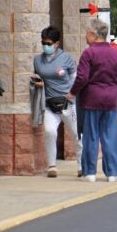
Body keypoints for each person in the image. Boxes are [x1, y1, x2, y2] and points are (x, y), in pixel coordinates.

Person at [67, 18, 117, 183]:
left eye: (87, 33)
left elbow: (82, 77)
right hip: (110, 99)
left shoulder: (89, 53)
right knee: (110, 136)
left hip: (92, 98)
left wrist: (72, 93)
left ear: (93, 34)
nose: (85, 36)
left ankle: (90, 172)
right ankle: (112, 172)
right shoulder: (115, 52)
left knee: (91, 136)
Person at [32, 26, 82, 177]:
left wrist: (72, 94)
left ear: (56, 43)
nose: (45, 46)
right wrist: (39, 83)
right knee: (50, 132)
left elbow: (75, 78)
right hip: (49, 103)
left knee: (76, 134)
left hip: (68, 103)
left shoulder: (66, 58)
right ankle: (52, 166)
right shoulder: (37, 60)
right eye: (43, 43)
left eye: (48, 43)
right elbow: (37, 77)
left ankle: (82, 165)